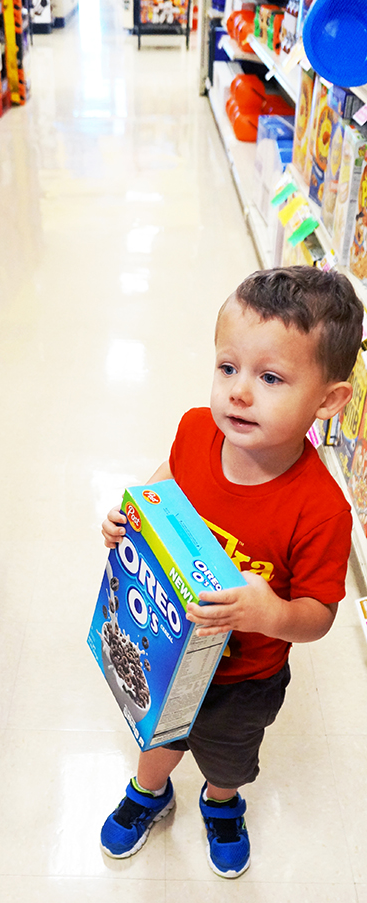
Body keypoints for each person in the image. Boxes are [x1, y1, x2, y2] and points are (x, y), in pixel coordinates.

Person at [99, 266, 363, 879]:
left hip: (246, 676)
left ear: (329, 399)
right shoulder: (196, 429)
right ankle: (149, 794)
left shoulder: (322, 510)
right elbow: (165, 481)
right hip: (167, 646)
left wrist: (269, 612)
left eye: (270, 377)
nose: (238, 393)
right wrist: (131, 516)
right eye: (228, 368)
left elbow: (318, 616)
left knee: (228, 755)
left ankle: (221, 802)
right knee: (157, 737)